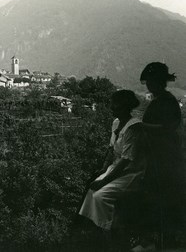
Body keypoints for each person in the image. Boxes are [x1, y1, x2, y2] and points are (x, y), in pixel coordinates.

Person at [79, 90, 146, 232]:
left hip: (131, 172)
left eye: (114, 104)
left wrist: (103, 181)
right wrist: (103, 168)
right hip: (116, 168)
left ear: (123, 106)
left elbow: (126, 161)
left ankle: (109, 230)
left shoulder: (134, 128)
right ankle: (94, 229)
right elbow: (111, 148)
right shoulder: (116, 123)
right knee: (91, 190)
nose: (111, 107)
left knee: (100, 196)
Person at [140, 62, 185, 237]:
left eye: (152, 81)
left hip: (166, 156)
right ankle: (161, 235)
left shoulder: (166, 101)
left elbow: (167, 127)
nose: (149, 85)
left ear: (159, 82)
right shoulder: (162, 100)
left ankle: (166, 236)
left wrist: (143, 126)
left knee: (164, 193)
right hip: (158, 155)